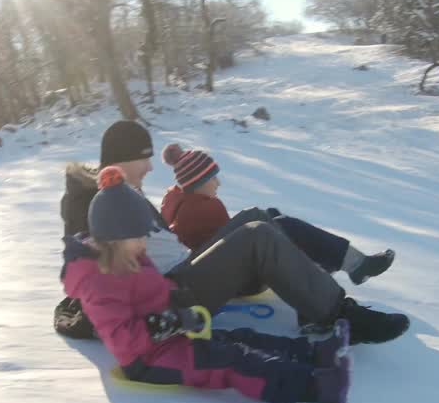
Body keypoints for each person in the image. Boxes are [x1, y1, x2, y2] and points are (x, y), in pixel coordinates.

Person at [56, 120, 409, 346]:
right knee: (258, 235)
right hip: (172, 294)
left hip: (184, 269)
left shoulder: (121, 190)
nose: (151, 166)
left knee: (262, 216)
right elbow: (87, 267)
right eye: (144, 158)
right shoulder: (94, 203)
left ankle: (350, 265)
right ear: (120, 159)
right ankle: (339, 313)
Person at [64, 166, 353, 403]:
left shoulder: (130, 256)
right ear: (114, 237)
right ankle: (317, 386)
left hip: (171, 337)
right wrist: (171, 320)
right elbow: (124, 341)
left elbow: (156, 289)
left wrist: (179, 301)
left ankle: (316, 353)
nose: (144, 243)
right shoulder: (98, 281)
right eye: (138, 236)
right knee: (232, 361)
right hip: (149, 360)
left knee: (240, 338)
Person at [159, 143, 395, 285]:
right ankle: (354, 266)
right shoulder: (204, 209)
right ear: (197, 183)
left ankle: (339, 265)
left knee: (272, 216)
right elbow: (230, 246)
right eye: (212, 178)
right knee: (285, 227)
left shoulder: (177, 200)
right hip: (234, 279)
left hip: (219, 265)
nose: (218, 183)